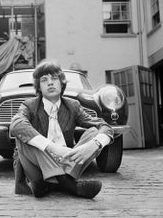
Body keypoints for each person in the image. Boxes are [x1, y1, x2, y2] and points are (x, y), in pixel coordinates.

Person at [10, 60, 114, 199]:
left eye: (54, 78)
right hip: (37, 167)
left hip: (67, 163)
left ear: (61, 83)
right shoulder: (29, 105)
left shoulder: (73, 106)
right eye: (44, 80)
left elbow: (104, 126)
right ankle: (69, 185)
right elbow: (16, 124)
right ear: (39, 87)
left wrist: (94, 144)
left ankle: (48, 184)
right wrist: (53, 148)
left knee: (94, 133)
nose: (50, 83)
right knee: (23, 135)